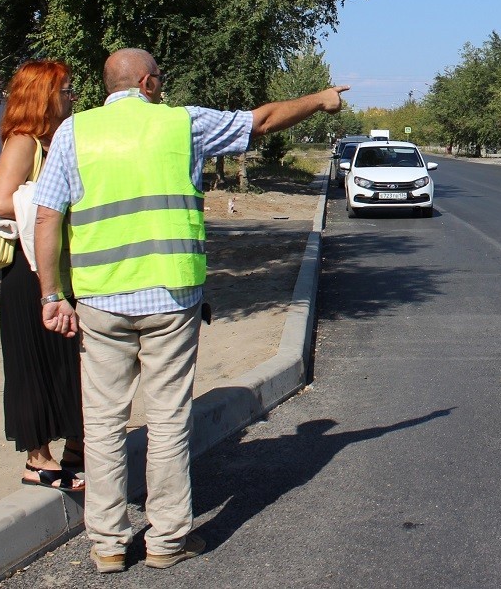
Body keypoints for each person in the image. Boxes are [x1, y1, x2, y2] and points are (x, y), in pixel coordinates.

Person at [31, 48, 348, 574]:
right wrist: (320, 100)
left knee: (104, 422)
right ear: (150, 83)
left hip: (100, 300)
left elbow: (47, 218)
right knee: (168, 419)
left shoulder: (74, 133)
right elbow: (263, 120)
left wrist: (50, 295)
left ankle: (108, 544)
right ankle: (166, 541)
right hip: (170, 300)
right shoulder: (184, 125)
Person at [0, 60, 84, 493]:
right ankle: (38, 460)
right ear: (43, 94)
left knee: (68, 360)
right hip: (27, 273)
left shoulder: (57, 138)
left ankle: (77, 451)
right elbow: (3, 201)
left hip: (53, 264)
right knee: (33, 365)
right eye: (64, 90)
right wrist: (51, 202)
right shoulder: (24, 141)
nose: (71, 97)